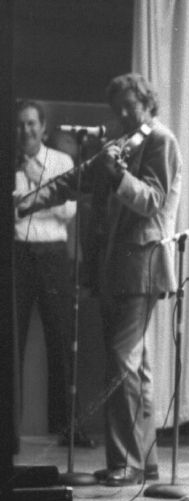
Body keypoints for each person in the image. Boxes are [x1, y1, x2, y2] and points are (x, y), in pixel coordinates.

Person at [15, 73, 182, 486]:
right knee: (136, 367)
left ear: (148, 103)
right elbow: (72, 181)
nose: (123, 113)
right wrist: (23, 204)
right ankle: (144, 461)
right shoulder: (119, 145)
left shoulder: (161, 140)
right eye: (118, 106)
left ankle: (126, 463)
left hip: (141, 268)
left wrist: (118, 176)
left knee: (123, 364)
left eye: (131, 105)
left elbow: (154, 201)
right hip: (114, 269)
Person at [13, 100, 96, 449]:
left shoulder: (61, 162)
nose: (26, 130)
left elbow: (68, 211)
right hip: (17, 256)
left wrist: (31, 192)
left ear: (43, 127)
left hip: (53, 255)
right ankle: (8, 432)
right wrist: (39, 199)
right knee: (11, 344)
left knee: (61, 341)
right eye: (20, 124)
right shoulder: (7, 162)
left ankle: (68, 428)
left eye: (32, 123)